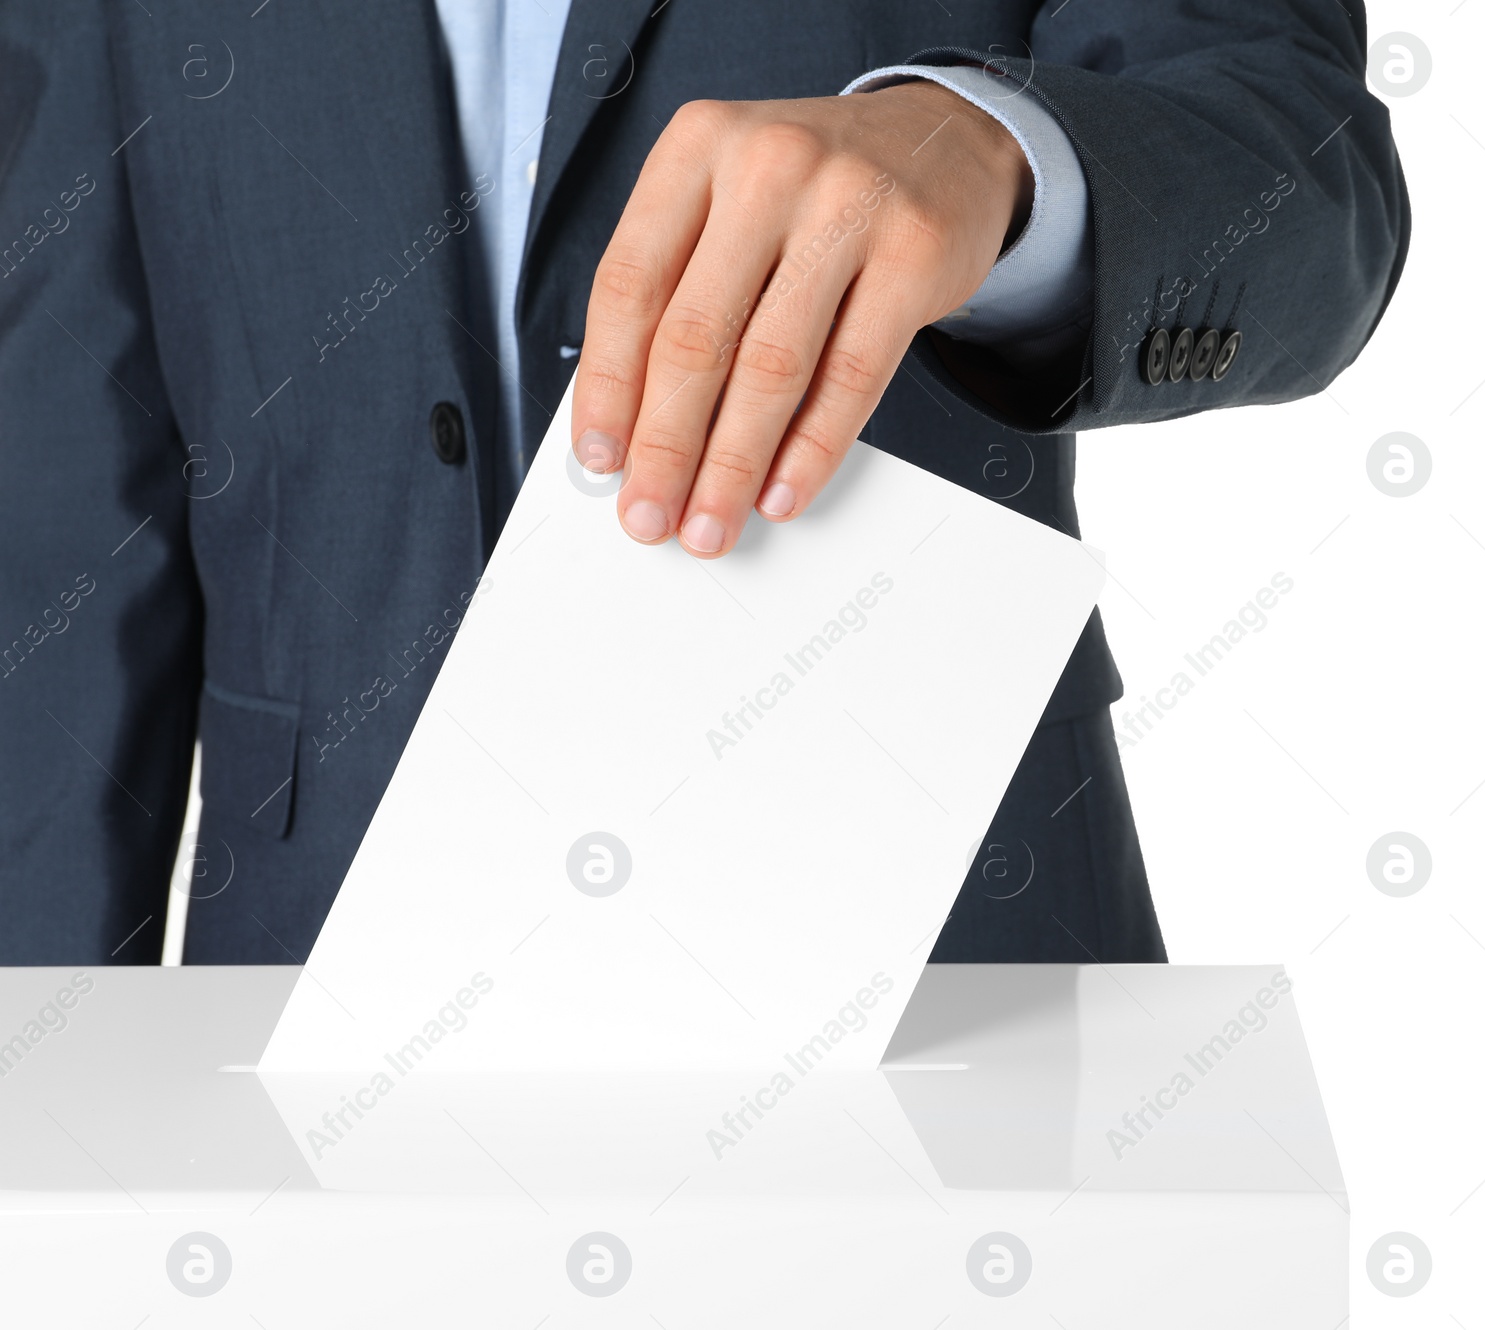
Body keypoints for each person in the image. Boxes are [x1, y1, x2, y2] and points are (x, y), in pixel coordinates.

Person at [0, 1, 1408, 964]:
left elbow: (1306, 170)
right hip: (320, 940)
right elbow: (67, 505)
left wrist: (992, 153)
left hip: (930, 933)